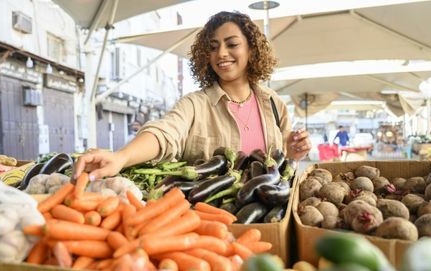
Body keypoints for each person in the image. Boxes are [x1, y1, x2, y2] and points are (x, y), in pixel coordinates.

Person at [74, 11, 312, 181]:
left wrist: (293, 152)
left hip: (269, 216)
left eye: (232, 44)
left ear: (251, 50)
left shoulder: (273, 103)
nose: (221, 53)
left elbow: (283, 163)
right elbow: (164, 133)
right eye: (213, 46)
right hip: (210, 221)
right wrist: (121, 157)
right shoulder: (195, 105)